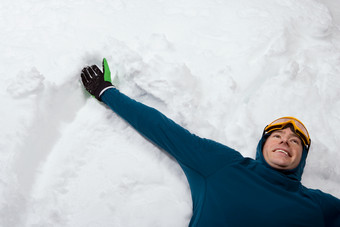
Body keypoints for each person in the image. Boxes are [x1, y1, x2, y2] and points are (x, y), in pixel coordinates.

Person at [80, 58, 340, 227]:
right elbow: (164, 129)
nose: (285, 141)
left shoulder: (318, 206)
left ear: (302, 157)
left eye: (295, 140)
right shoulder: (223, 165)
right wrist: (107, 93)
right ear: (263, 145)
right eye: (278, 136)